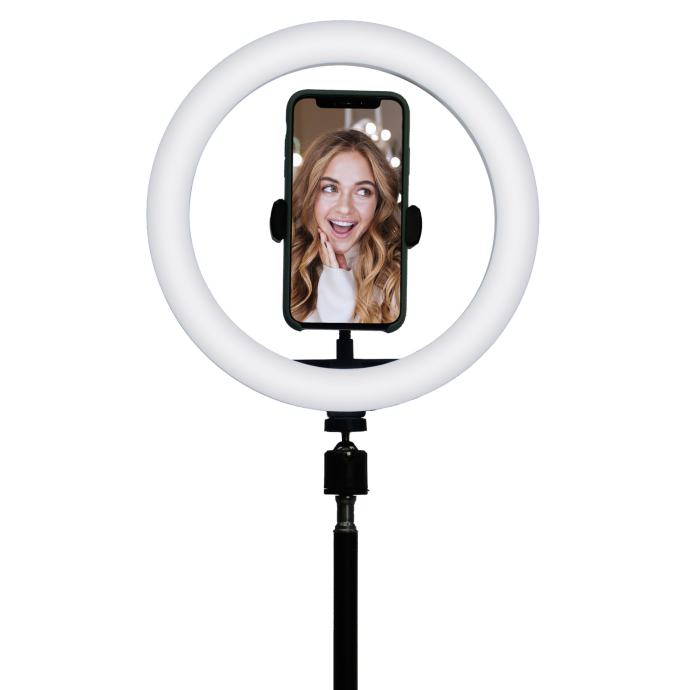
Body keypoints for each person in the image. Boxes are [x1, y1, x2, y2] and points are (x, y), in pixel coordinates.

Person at [290, 128, 401, 324]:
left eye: (363, 191)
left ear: (378, 202)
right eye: (330, 188)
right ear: (310, 195)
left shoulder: (398, 281)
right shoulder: (284, 268)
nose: (345, 208)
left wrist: (337, 287)